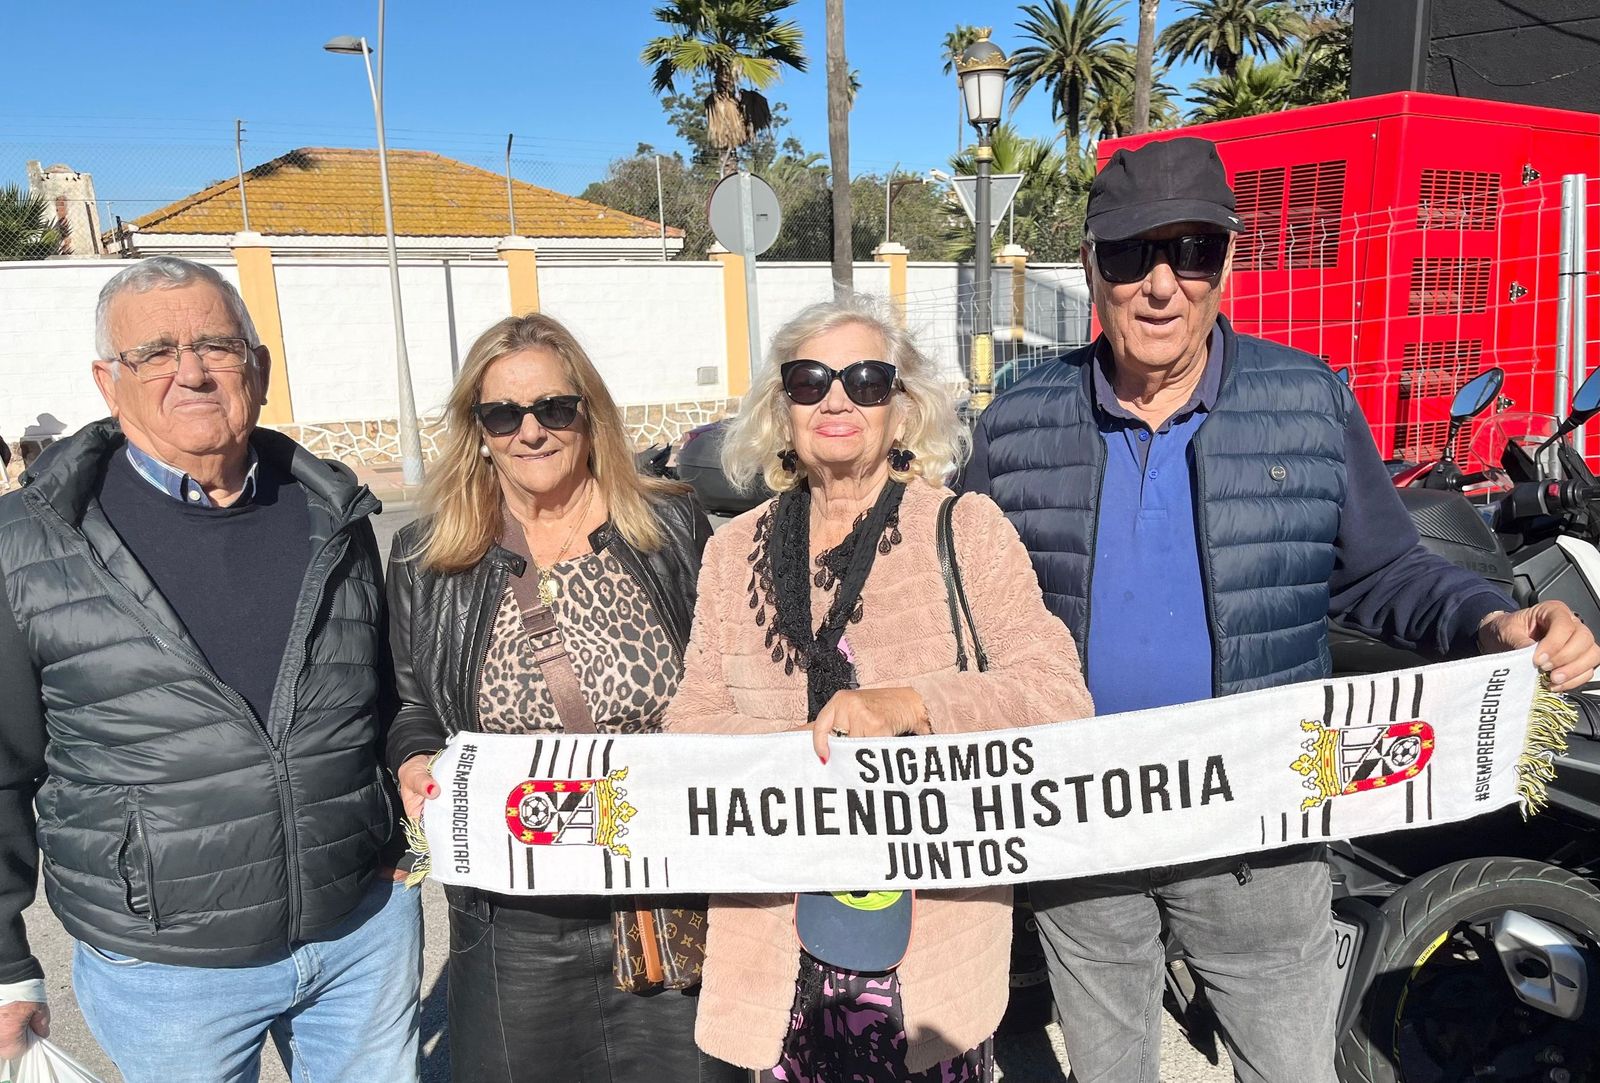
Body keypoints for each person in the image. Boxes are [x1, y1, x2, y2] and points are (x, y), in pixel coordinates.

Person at [961, 136, 1600, 1083]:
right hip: (1081, 827)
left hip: (1260, 832)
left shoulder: (1306, 400)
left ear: (1228, 262)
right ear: (1092, 265)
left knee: (1290, 1066)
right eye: (1134, 252)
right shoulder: (1018, 418)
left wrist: (1491, 622)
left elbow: (1388, 574)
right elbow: (958, 604)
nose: (1162, 284)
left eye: (1193, 252)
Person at [0, 256, 420, 1082]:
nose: (189, 370)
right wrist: (5, 960)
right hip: (165, 969)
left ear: (256, 368)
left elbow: (384, 696)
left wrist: (403, 814)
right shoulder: (28, 544)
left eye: (216, 345)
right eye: (153, 351)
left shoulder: (334, 514)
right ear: (106, 381)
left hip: (360, 934)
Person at [664, 297, 1094, 1082]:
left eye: (866, 379)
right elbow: (690, 719)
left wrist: (913, 704)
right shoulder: (731, 551)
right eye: (810, 380)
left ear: (901, 412)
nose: (837, 397)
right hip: (776, 944)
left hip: (928, 947)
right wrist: (803, 754)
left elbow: (1057, 692)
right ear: (781, 408)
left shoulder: (965, 527)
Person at [386, 312, 736, 1083]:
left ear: (589, 413)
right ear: (478, 428)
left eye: (553, 407)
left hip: (665, 893)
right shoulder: (429, 553)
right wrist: (413, 757)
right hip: (516, 919)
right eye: (504, 413)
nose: (531, 431)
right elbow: (412, 702)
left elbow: (725, 679)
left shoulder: (669, 524)